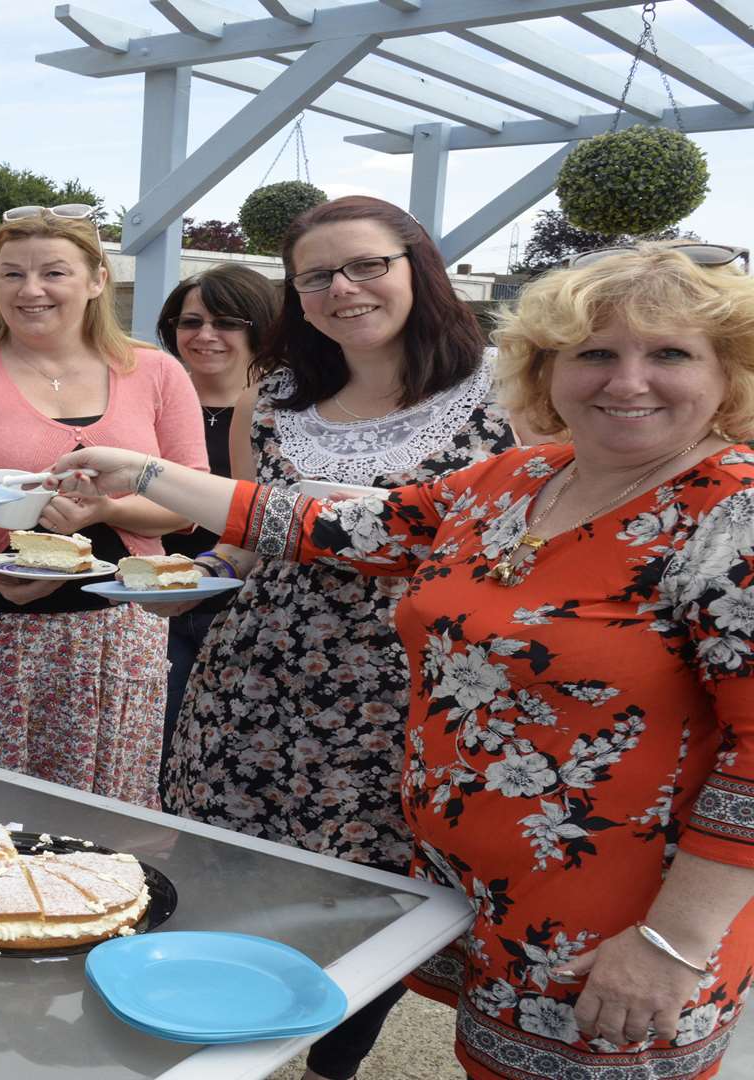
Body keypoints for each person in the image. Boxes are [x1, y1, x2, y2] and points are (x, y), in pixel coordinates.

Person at [51, 243, 754, 1080]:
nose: (627, 381)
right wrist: (142, 471)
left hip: (618, 921)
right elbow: (315, 523)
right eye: (595, 353)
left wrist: (673, 945)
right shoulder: (518, 478)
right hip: (476, 893)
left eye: (670, 353)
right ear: (547, 369)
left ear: (730, 373)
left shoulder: (731, 517)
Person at [153, 196, 516, 1078]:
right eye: (315, 277)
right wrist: (177, 587)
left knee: (375, 899)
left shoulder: (508, 390)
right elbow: (249, 536)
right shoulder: (272, 397)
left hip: (406, 691)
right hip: (251, 682)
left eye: (366, 265)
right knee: (225, 873)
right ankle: (226, 1045)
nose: (342, 290)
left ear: (417, 266)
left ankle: (331, 1061)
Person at [0, 206, 204, 805]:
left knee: (107, 807)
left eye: (54, 273)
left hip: (116, 629)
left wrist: (106, 512)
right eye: (12, 274)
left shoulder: (157, 373)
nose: (30, 291)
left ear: (97, 279)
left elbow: (189, 503)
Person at [152, 264, 278, 756]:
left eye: (226, 323)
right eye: (190, 322)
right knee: (156, 750)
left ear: (261, 327)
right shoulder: (151, 396)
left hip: (238, 608)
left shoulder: (281, 409)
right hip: (152, 602)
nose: (206, 335)